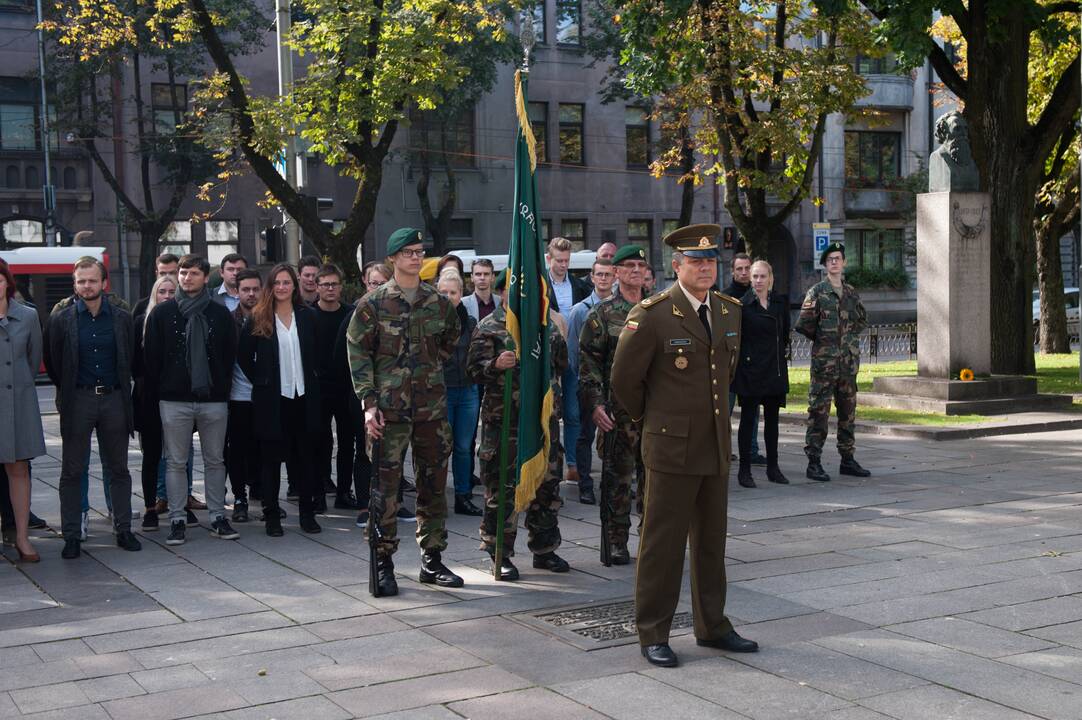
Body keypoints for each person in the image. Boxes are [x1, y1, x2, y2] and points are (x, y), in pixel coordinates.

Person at [611, 223, 758, 668]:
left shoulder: (730, 310)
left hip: (714, 444)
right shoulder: (652, 314)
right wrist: (654, 421)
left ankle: (712, 625)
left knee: (712, 541)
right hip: (671, 447)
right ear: (676, 266)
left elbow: (725, 377)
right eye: (695, 261)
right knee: (663, 543)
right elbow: (623, 381)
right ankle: (652, 631)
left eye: (711, 261)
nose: (705, 268)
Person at [347, 227, 464, 596]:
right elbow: (358, 354)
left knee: (433, 484)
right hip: (388, 413)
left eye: (420, 251)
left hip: (431, 409)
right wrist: (369, 403)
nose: (416, 257)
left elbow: (449, 341)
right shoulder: (374, 304)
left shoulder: (438, 302)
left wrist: (423, 373)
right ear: (393, 258)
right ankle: (383, 563)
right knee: (385, 491)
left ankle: (432, 559)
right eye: (409, 252)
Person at [466, 270, 569, 579]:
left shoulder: (545, 327)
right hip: (505, 426)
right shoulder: (490, 328)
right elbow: (472, 370)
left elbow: (561, 363)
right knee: (503, 490)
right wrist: (494, 365)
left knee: (547, 487)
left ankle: (544, 549)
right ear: (504, 293)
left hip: (542, 423)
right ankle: (499, 552)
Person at [44, 257, 141, 559]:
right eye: (81, 281)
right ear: (75, 284)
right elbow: (54, 363)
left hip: (114, 399)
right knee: (72, 470)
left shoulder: (122, 318)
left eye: (92, 280)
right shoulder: (62, 319)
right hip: (79, 400)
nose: (87, 286)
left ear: (103, 283)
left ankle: (123, 529)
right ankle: (72, 535)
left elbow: (132, 357)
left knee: (119, 469)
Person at [144, 254, 238, 546]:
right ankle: (177, 519)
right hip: (174, 400)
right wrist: (164, 390)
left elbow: (228, 355)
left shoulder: (220, 314)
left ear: (205, 276)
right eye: (183, 273)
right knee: (175, 461)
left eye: (194, 273)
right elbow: (152, 359)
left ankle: (218, 517)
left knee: (215, 460)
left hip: (213, 399)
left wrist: (218, 387)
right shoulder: (162, 313)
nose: (186, 278)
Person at [238, 264, 323, 536]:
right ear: (270, 287)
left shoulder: (308, 317)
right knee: (271, 461)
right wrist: (262, 381)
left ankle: (307, 514)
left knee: (306, 460)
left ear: (294, 286)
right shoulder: (258, 317)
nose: (282, 288)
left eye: (287, 282)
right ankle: (271, 515)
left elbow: (317, 355)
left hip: (303, 398)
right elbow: (243, 356)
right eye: (278, 283)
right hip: (273, 401)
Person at [578, 246, 648, 563]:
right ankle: (617, 541)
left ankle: (652, 538)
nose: (636, 270)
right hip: (617, 413)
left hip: (656, 411)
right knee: (617, 482)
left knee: (655, 480)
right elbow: (588, 364)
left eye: (640, 265)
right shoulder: (602, 315)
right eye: (628, 265)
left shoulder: (659, 310)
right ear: (616, 272)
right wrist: (595, 405)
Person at [796, 242, 871, 482]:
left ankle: (847, 460)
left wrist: (845, 342)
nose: (835, 263)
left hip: (848, 365)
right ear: (825, 264)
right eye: (830, 260)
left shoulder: (851, 293)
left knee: (848, 413)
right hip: (824, 366)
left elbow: (861, 320)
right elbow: (805, 325)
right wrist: (827, 344)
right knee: (819, 413)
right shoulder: (817, 292)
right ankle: (813, 462)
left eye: (838, 258)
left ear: (844, 262)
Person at [0, 259, 46, 562]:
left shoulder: (28, 316)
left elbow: (33, 360)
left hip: (18, 403)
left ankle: (21, 537)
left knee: (19, 470)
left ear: (7, 282)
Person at [732, 260, 790, 488]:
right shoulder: (742, 305)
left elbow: (784, 334)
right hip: (750, 370)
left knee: (773, 422)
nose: (757, 280)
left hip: (774, 368)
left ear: (770, 278)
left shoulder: (779, 302)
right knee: (747, 421)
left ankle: (773, 468)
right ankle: (744, 471)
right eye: (754, 276)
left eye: (762, 276)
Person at [564, 259, 615, 503]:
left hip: (615, 384)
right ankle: (585, 483)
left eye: (608, 274)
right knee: (585, 434)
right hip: (588, 382)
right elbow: (573, 351)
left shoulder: (622, 308)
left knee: (615, 434)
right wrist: (585, 380)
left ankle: (612, 481)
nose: (603, 279)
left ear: (614, 277)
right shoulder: (580, 311)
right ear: (592, 278)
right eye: (599, 275)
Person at [132, 274, 178, 531]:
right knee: (151, 456)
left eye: (172, 292)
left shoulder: (182, 319)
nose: (167, 297)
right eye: (163, 292)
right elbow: (132, 362)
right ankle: (150, 507)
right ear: (154, 294)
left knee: (176, 457)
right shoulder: (140, 321)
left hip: (175, 397)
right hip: (147, 398)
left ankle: (177, 505)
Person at [312, 263, 359, 509]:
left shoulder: (352, 314)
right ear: (317, 287)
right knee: (319, 442)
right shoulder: (308, 315)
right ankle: (319, 493)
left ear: (341, 287)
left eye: (334, 284)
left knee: (347, 443)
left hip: (346, 388)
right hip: (318, 389)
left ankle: (343, 492)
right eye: (325, 284)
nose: (330, 289)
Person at [436, 268, 482, 516]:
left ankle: (463, 496)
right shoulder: (431, 320)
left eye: (452, 292)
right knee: (441, 447)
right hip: (440, 392)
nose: (448, 296)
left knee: (464, 447)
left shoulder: (471, 322)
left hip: (467, 391)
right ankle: (436, 497)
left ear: (461, 294)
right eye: (443, 291)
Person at [226, 268, 262, 522]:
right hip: (237, 397)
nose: (251, 294)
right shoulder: (227, 320)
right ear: (236, 292)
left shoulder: (271, 320)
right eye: (245, 290)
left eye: (255, 289)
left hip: (266, 396)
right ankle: (239, 498)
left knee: (265, 449)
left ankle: (264, 494)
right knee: (236, 450)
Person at [723, 253, 765, 465]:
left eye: (747, 268)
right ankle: (724, 449)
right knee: (724, 411)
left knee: (752, 411)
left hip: (751, 363)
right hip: (730, 362)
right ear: (732, 271)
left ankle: (751, 450)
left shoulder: (759, 295)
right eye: (739, 269)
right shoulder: (725, 296)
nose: (743, 273)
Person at [545, 237, 591, 314]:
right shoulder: (539, 285)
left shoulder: (581, 286)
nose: (564, 265)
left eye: (567, 260)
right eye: (559, 261)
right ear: (548, 259)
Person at [132, 253, 180, 319]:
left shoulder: (187, 304)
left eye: (172, 273)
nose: (167, 277)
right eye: (162, 273)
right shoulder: (142, 306)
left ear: (179, 273)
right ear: (157, 274)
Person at [462, 258, 499, 323]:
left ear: (492, 277)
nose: (482, 278)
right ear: (472, 277)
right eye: (478, 274)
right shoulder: (462, 304)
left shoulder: (502, 302)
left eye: (486, 274)